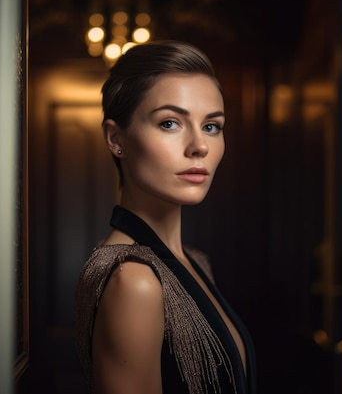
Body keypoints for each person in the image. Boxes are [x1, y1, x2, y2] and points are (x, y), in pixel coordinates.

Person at [75, 40, 257, 394]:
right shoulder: (134, 281)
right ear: (116, 139)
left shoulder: (194, 261)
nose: (199, 146)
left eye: (212, 126)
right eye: (171, 123)